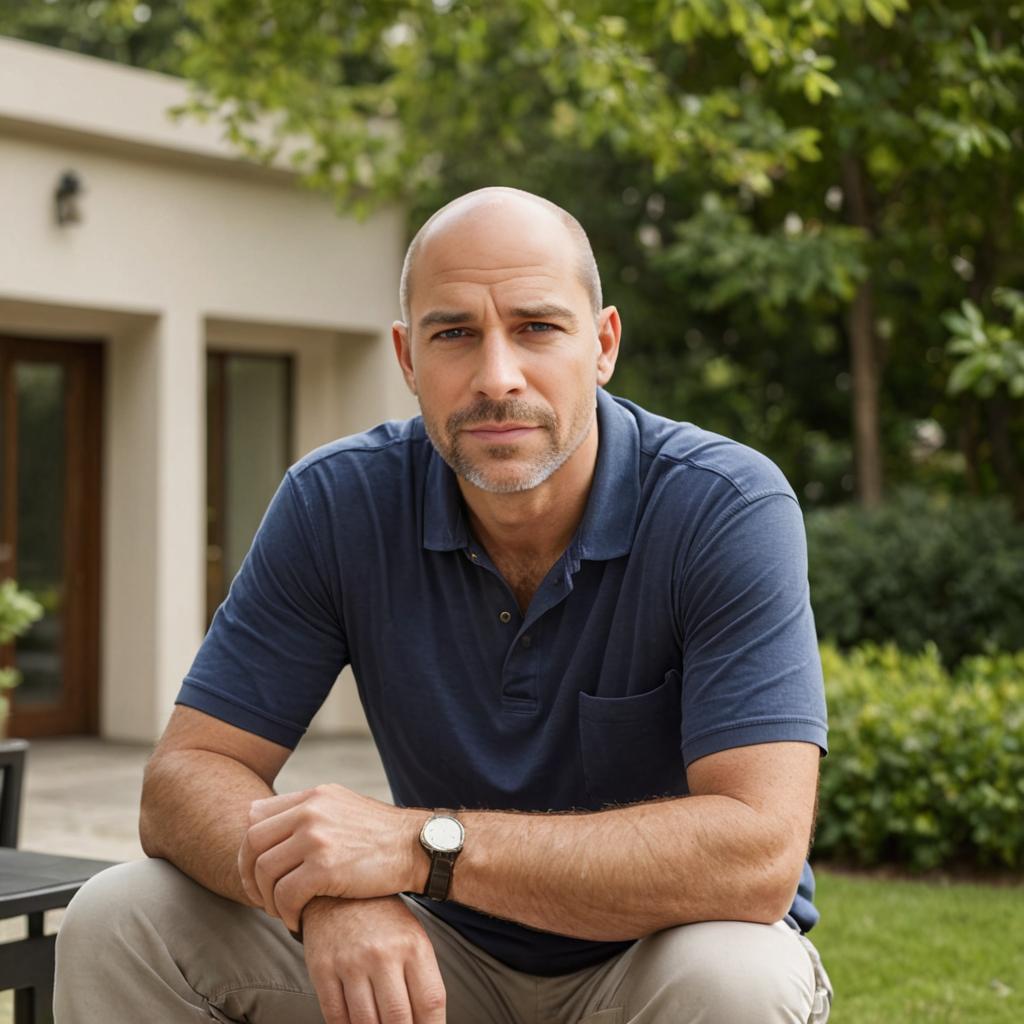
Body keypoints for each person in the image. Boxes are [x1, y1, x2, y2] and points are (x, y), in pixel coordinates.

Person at [55, 187, 832, 1024]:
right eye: (454, 333)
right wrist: (328, 898)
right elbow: (182, 779)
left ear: (603, 345)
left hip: (658, 960)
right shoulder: (337, 503)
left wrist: (414, 847)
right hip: (430, 964)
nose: (497, 377)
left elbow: (757, 855)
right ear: (407, 358)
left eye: (537, 327)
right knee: (122, 919)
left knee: (737, 978)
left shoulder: (723, 505)